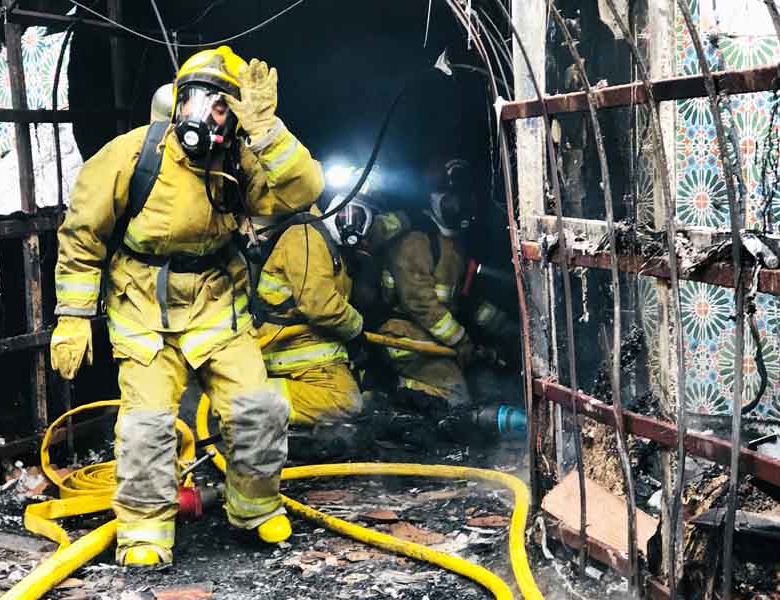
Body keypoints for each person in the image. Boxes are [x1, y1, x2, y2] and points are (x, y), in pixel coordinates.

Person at [50, 47, 324, 566]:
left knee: (259, 409)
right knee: (148, 426)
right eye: (195, 100)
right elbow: (82, 236)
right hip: (143, 310)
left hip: (215, 304)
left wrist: (267, 132)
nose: (204, 115)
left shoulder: (239, 161)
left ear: (234, 117)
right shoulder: (132, 156)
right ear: (176, 101)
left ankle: (254, 509)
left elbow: (304, 191)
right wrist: (73, 317)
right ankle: (145, 531)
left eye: (220, 107)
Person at [335, 160, 519, 409]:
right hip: (401, 334)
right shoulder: (416, 240)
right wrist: (460, 339)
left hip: (428, 336)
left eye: (463, 199)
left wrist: (510, 331)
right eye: (451, 199)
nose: (459, 207)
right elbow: (419, 303)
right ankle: (386, 394)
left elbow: (464, 302)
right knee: (454, 397)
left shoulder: (453, 246)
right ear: (433, 199)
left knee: (480, 387)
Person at [245, 206, 365, 426]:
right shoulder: (306, 236)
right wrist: (356, 330)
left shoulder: (322, 237)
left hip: (305, 338)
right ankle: (243, 399)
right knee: (345, 402)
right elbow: (320, 306)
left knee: (352, 397)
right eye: (347, 213)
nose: (353, 223)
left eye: (362, 217)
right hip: (288, 342)